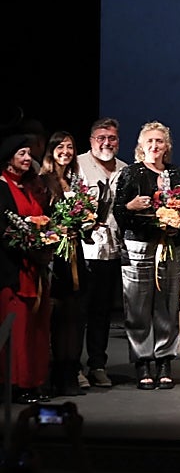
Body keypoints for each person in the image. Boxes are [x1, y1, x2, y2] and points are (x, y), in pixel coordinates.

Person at [113, 121, 180, 391]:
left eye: (160, 141)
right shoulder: (131, 174)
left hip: (169, 246)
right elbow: (119, 213)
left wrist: (176, 222)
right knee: (138, 305)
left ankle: (165, 361)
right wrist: (130, 206)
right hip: (138, 246)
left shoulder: (178, 174)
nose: (155, 146)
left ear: (167, 146)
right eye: (150, 142)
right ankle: (143, 361)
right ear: (141, 146)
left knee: (167, 305)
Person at [0, 134, 52, 404]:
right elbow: (5, 231)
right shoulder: (2, 187)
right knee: (17, 327)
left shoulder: (28, 186)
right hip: (13, 268)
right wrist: (28, 246)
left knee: (35, 327)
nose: (27, 158)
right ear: (9, 157)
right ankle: (14, 383)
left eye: (29, 154)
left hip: (35, 266)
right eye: (22, 153)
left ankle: (33, 380)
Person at [39, 131, 91, 397]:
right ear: (51, 150)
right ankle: (53, 375)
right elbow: (39, 218)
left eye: (70, 147)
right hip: (54, 256)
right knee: (56, 315)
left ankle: (70, 371)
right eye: (61, 146)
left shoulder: (73, 182)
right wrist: (57, 229)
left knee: (73, 315)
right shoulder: (42, 181)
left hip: (74, 253)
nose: (66, 151)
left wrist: (86, 223)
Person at [76, 118, 127, 390]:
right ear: (91, 140)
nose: (107, 143)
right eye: (101, 138)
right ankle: (72, 366)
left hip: (112, 251)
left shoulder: (125, 169)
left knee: (102, 312)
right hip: (83, 249)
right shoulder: (78, 164)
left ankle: (97, 364)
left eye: (112, 138)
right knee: (79, 311)